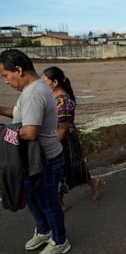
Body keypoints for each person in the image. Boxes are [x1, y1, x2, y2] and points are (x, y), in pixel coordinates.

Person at [0, 50, 71, 254]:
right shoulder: (35, 88)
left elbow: (30, 132)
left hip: (45, 160)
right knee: (31, 197)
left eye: (5, 75)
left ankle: (60, 241)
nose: (5, 81)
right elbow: (23, 115)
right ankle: (44, 230)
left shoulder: (33, 93)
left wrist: (4, 132)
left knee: (48, 203)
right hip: (33, 159)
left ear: (19, 70)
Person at [42, 66, 102, 210]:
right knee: (63, 170)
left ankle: (93, 182)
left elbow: (62, 129)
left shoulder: (64, 102)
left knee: (71, 168)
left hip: (64, 140)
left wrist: (51, 147)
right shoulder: (51, 97)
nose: (41, 85)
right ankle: (60, 200)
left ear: (54, 82)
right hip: (55, 137)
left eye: (44, 82)